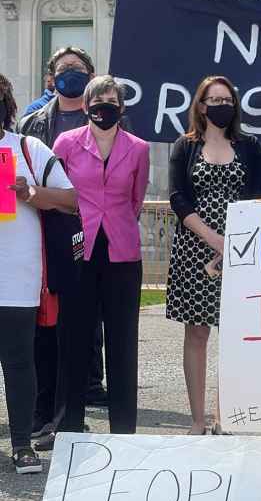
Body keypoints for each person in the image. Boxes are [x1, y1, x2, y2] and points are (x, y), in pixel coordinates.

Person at [17, 46, 108, 450]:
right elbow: (19, 187)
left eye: (79, 68)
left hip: (91, 233)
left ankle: (73, 409)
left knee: (83, 324)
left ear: (91, 75)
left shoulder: (106, 121)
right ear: (50, 77)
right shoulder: (32, 126)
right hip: (41, 234)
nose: (71, 73)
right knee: (44, 327)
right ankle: (43, 413)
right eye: (63, 68)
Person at [166, 75, 261, 435]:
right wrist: (213, 239)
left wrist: (233, 243)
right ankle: (196, 419)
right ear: (201, 105)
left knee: (235, 335)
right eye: (213, 99)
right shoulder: (184, 145)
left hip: (242, 250)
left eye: (227, 99)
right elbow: (178, 197)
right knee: (196, 334)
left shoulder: (251, 147)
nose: (220, 105)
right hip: (195, 250)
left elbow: (258, 197)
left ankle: (226, 417)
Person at [53, 75, 150, 435]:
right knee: (74, 336)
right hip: (80, 248)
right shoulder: (66, 143)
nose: (104, 106)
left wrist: (118, 222)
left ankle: (124, 429)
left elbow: (136, 199)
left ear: (121, 107)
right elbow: (58, 190)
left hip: (123, 252)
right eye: (97, 100)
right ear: (86, 106)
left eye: (111, 100)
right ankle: (69, 425)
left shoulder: (138, 148)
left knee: (123, 340)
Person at [0, 73, 76, 473]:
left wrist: (30, 193)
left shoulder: (29, 149)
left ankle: (21, 445)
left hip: (16, 277)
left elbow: (70, 199)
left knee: (18, 362)